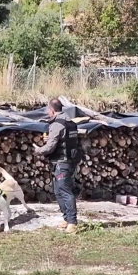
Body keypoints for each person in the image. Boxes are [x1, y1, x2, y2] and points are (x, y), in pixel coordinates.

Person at [33, 98, 82, 234]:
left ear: (52, 110)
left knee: (64, 191)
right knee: (58, 191)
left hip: (62, 163)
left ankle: (72, 223)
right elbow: (64, 140)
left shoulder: (56, 124)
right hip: (68, 161)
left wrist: (38, 150)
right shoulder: (70, 122)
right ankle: (66, 219)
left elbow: (50, 147)